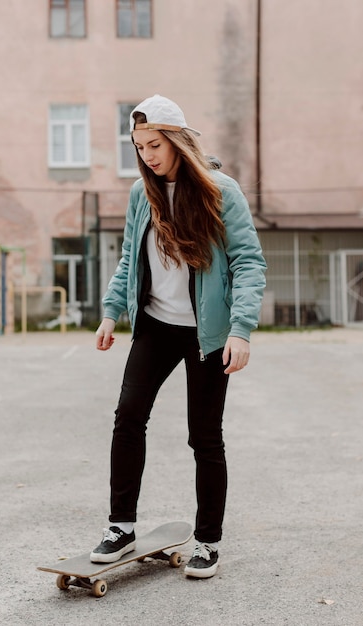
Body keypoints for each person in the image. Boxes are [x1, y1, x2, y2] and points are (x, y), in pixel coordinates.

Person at [90, 94, 266, 579]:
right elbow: (129, 260)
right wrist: (110, 313)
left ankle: (208, 541)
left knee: (204, 436)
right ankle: (120, 525)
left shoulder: (220, 190)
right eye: (139, 146)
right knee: (128, 418)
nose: (147, 154)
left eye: (155, 143)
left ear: (177, 140)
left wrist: (241, 330)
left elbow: (249, 263)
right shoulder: (139, 194)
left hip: (207, 334)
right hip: (155, 325)